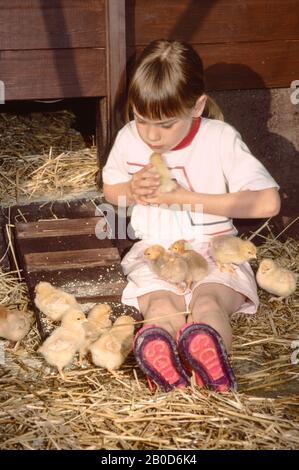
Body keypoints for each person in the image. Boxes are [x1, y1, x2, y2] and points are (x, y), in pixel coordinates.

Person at [102, 39, 280, 393]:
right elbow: (112, 192)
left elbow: (267, 203)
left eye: (165, 124)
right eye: (141, 118)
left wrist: (185, 198)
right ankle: (162, 362)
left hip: (216, 249)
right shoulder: (128, 138)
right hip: (155, 250)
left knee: (208, 301)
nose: (151, 134)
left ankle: (213, 369)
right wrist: (131, 190)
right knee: (161, 305)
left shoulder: (220, 139)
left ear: (197, 106)